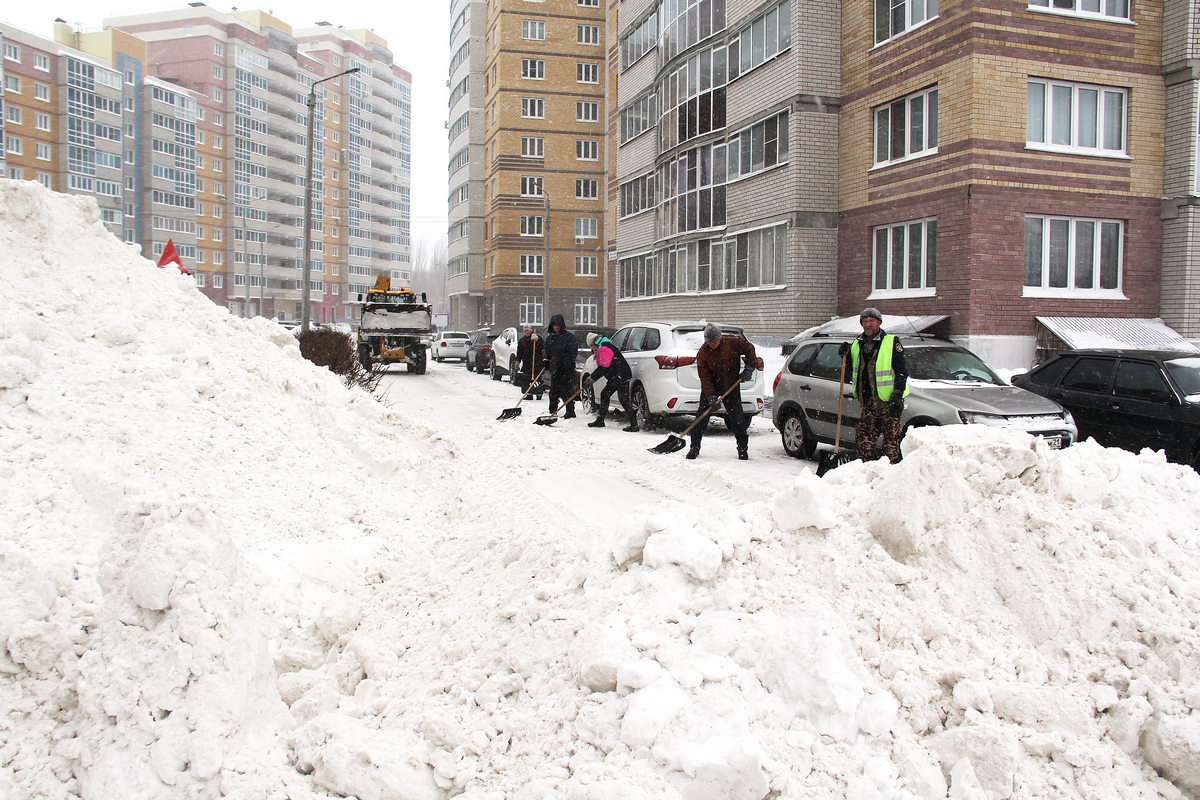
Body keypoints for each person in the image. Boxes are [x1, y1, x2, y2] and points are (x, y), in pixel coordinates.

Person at [841, 307, 909, 464]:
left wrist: (897, 395)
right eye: (865, 321)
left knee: (891, 445)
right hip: (869, 403)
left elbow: (902, 371)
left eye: (871, 321)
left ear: (879, 322)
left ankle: (890, 475)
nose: (868, 324)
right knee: (864, 442)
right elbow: (850, 372)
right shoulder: (857, 344)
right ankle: (867, 471)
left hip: (888, 402)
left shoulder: (891, 342)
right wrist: (844, 357)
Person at [688, 323, 761, 461]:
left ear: (720, 338)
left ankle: (742, 449)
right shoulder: (703, 353)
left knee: (737, 419)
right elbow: (705, 377)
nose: (713, 344)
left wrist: (749, 368)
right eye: (710, 342)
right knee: (701, 418)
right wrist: (711, 397)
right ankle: (694, 447)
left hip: (731, 384)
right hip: (712, 386)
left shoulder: (733, 342)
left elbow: (750, 348)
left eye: (715, 341)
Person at [583, 332, 637, 432]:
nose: (591, 348)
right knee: (605, 394)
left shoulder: (604, 348)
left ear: (595, 342)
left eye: (591, 345)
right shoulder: (604, 346)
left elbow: (603, 367)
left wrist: (591, 379)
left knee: (623, 400)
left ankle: (634, 424)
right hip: (616, 376)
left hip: (620, 376)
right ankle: (600, 420)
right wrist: (592, 378)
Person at [542, 314, 578, 419]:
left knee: (566, 391)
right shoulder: (550, 338)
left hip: (566, 369)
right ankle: (552, 411)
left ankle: (570, 411)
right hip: (555, 368)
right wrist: (546, 360)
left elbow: (573, 353)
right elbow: (547, 352)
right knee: (553, 391)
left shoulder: (569, 337)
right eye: (554, 325)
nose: (556, 327)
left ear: (561, 325)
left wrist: (565, 362)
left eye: (558, 325)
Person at [515, 324, 545, 400]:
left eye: (528, 330)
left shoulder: (536, 338)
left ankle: (538, 393)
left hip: (537, 362)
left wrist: (537, 340)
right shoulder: (522, 341)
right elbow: (519, 352)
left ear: (530, 331)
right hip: (527, 363)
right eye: (525, 331)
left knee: (537, 378)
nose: (527, 332)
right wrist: (517, 361)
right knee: (527, 379)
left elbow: (542, 347)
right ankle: (528, 394)